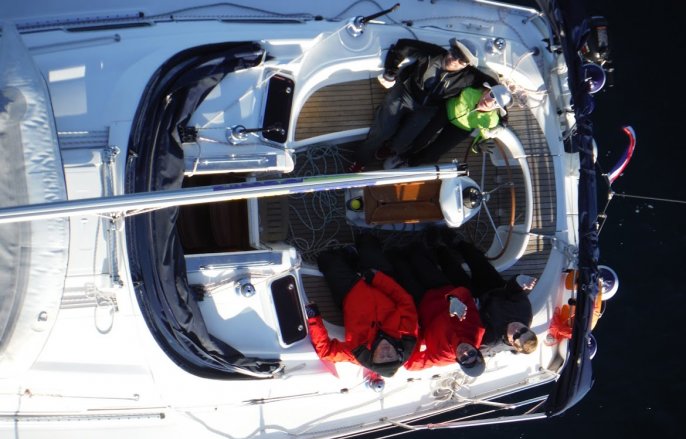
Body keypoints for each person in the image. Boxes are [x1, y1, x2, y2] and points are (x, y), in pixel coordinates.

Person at [348, 38, 497, 172]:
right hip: (405, 93)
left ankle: (389, 148)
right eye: (455, 53)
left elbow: (496, 88)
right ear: (450, 49)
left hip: (428, 108)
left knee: (403, 143)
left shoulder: (470, 76)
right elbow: (403, 46)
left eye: (462, 60)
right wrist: (391, 70)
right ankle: (360, 160)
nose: (455, 60)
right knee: (382, 132)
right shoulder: (433, 53)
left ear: (467, 65)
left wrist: (503, 119)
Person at [306, 234, 418, 377]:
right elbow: (405, 301)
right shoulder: (407, 336)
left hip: (349, 291)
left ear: (372, 358)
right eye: (390, 356)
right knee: (367, 241)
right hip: (381, 283)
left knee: (326, 259)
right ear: (398, 353)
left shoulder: (356, 352)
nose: (386, 352)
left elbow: (326, 352)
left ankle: (350, 258)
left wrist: (314, 318)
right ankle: (357, 260)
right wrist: (377, 278)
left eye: (381, 357)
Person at [428, 231, 538, 356]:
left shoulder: (491, 341)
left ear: (512, 343)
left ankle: (438, 248)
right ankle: (457, 242)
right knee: (478, 260)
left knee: (454, 273)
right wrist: (518, 280)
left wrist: (471, 308)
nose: (518, 329)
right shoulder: (525, 313)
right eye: (524, 330)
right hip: (494, 290)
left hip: (474, 304)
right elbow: (514, 291)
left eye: (516, 335)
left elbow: (471, 328)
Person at [385, 243, 486, 376]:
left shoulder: (440, 357)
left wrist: (416, 334)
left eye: (464, 359)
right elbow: (465, 294)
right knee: (417, 255)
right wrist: (454, 298)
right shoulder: (476, 331)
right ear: (477, 350)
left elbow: (410, 364)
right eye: (472, 354)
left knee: (400, 266)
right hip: (441, 289)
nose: (465, 353)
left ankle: (389, 249)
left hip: (421, 303)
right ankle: (416, 242)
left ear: (458, 361)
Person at [383, 82, 512, 169]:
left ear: (497, 108)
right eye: (492, 95)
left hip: (462, 128)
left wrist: (477, 146)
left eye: (496, 103)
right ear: (486, 91)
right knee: (422, 137)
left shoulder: (491, 121)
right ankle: (401, 156)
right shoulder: (470, 91)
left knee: (434, 152)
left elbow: (483, 137)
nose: (489, 102)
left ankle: (410, 162)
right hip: (447, 111)